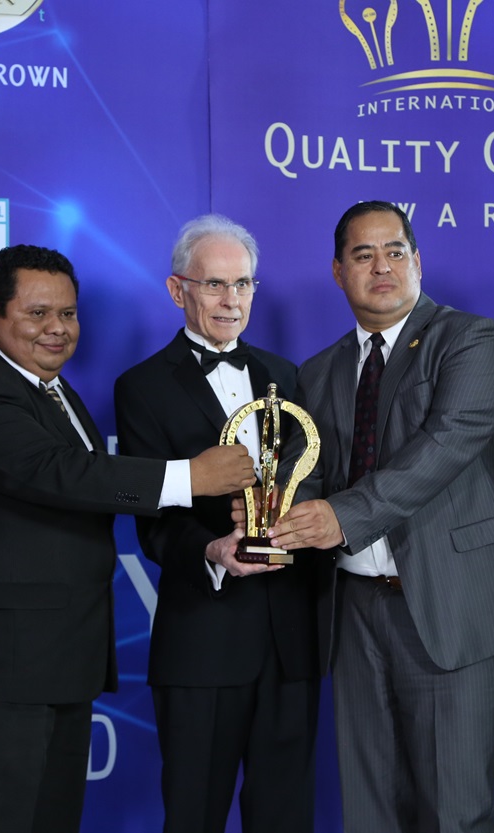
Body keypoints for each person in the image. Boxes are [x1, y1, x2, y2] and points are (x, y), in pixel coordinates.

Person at [0, 243, 256, 833]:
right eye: (38, 313)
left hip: (56, 663)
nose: (57, 328)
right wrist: (191, 477)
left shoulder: (50, 388)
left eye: (68, 314)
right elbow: (59, 473)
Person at [267, 200, 494, 833]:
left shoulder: (472, 339)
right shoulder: (319, 370)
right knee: (370, 809)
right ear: (338, 271)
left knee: (455, 811)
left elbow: (445, 446)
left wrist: (340, 516)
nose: (382, 266)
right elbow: (309, 470)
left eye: (395, 251)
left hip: (449, 603)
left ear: (418, 261)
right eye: (363, 255)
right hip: (353, 610)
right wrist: (270, 515)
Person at [113, 215, 319, 833]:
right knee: (194, 815)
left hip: (289, 639)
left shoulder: (289, 376)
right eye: (215, 284)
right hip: (201, 641)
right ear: (178, 290)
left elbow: (310, 479)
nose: (232, 300)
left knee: (284, 817)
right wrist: (212, 550)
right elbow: (152, 520)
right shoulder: (141, 387)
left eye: (243, 284)